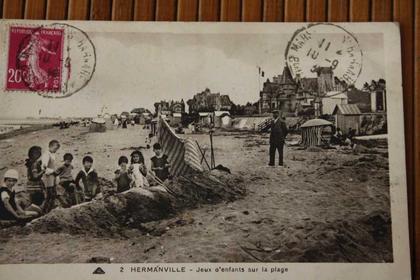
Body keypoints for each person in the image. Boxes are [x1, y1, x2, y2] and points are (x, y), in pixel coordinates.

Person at [41, 139, 60, 213]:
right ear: (50, 146)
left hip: (52, 177)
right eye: (55, 149)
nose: (56, 150)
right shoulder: (46, 155)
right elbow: (44, 168)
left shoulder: (52, 154)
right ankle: (45, 211)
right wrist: (53, 171)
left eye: (57, 149)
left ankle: (50, 209)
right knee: (49, 195)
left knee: (53, 194)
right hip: (48, 177)